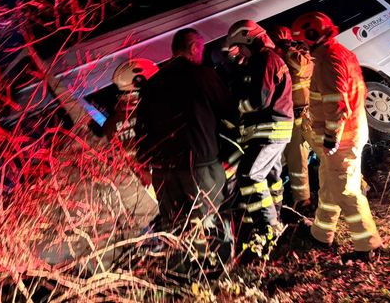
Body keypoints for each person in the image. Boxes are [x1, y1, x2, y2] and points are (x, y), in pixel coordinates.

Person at [134, 28, 238, 255]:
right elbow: (231, 111)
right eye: (201, 49)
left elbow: (141, 128)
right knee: (210, 220)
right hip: (200, 166)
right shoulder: (204, 76)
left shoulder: (152, 84)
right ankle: (217, 265)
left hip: (163, 171)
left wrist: (144, 163)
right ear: (193, 48)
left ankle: (185, 266)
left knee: (176, 226)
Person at [291, 11, 383, 263]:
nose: (300, 47)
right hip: (350, 132)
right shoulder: (340, 53)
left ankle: (367, 245)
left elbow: (336, 105)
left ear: (312, 37)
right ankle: (321, 234)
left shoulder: (328, 62)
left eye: (301, 42)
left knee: (345, 190)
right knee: (329, 183)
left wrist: (331, 138)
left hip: (342, 138)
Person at [223, 20, 294, 259]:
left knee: (250, 175)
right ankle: (274, 220)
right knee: (271, 177)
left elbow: (259, 100)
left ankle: (269, 229)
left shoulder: (265, 59)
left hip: (269, 129)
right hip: (272, 129)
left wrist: (234, 110)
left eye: (240, 47)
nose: (240, 53)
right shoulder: (263, 60)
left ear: (248, 40)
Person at [268, 25, 316, 212]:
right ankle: (303, 201)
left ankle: (359, 184)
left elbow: (302, 67)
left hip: (309, 117)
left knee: (329, 156)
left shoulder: (300, 56)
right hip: (293, 120)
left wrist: (287, 49)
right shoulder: (276, 63)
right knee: (297, 162)